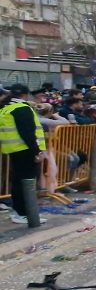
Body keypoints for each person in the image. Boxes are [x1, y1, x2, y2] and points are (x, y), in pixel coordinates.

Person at [0, 85, 48, 224]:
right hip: (25, 150)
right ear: (25, 95)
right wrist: (37, 152)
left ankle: (20, 212)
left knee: (18, 181)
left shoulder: (6, 108)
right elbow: (28, 133)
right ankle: (24, 213)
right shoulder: (21, 108)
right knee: (26, 183)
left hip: (14, 149)